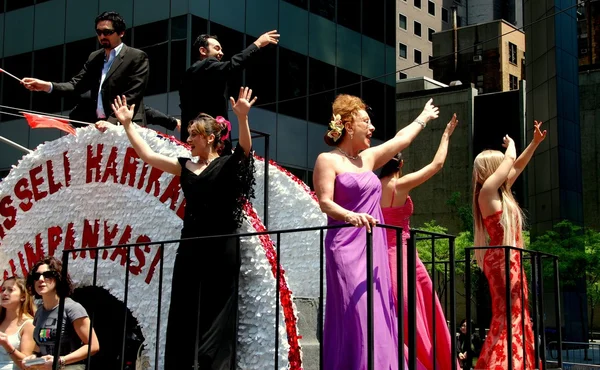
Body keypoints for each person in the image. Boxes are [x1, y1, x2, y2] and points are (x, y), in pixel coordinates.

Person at [110, 86, 256, 369]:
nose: (187, 139)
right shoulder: (184, 166)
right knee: (183, 308)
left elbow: (246, 149)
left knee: (218, 309)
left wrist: (242, 118)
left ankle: (214, 364)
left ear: (210, 138)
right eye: (188, 134)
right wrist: (128, 125)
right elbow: (148, 156)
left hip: (222, 245)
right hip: (190, 245)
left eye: (193, 135)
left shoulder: (227, 164)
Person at [312, 94, 439, 369]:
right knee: (356, 312)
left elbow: (400, 140)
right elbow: (325, 202)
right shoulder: (327, 160)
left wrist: (423, 118)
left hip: (373, 249)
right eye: (365, 122)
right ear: (348, 125)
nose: (372, 128)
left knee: (379, 312)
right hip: (344, 247)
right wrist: (350, 215)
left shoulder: (367, 159)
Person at [378, 114, 458, 370]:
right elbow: (436, 165)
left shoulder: (372, 186)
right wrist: (445, 135)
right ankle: (427, 361)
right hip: (403, 255)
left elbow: (399, 140)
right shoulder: (400, 186)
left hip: (381, 255)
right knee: (419, 309)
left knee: (401, 308)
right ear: (400, 165)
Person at [472, 121, 547, 370]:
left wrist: (534, 143)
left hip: (510, 260)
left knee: (514, 314)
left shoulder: (497, 192)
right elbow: (511, 160)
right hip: (503, 262)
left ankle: (512, 362)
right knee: (508, 315)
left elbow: (517, 164)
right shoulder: (486, 192)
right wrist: (511, 145)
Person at [21, 11, 149, 126]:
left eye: (107, 32)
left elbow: (133, 94)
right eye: (99, 32)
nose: (102, 36)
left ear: (121, 33)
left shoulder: (136, 56)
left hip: (126, 126)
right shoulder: (95, 57)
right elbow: (76, 85)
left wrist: (111, 122)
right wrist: (47, 86)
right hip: (97, 126)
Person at [179, 30, 279, 142]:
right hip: (207, 143)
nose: (221, 53)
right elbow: (232, 66)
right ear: (203, 50)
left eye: (221, 49)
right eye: (217, 48)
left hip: (194, 143)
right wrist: (258, 43)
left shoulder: (191, 75)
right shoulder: (205, 65)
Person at [22, 257, 99, 370]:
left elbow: (93, 346)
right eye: (36, 276)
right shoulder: (39, 312)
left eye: (48, 275)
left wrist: (61, 360)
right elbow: (40, 346)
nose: (41, 279)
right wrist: (33, 358)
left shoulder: (72, 308)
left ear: (58, 278)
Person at [0, 277, 35, 370]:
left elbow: (27, 364)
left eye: (10, 290)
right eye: (3, 289)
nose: (4, 293)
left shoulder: (29, 324)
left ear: (23, 296)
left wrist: (7, 345)